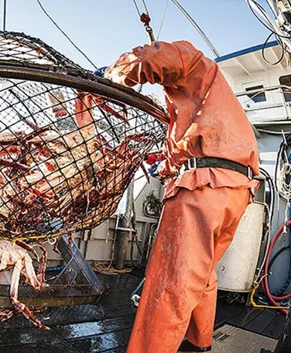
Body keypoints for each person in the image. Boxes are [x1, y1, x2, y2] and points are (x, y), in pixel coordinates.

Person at [104, 41, 260, 353]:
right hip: (236, 191)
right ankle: (198, 343)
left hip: (202, 190)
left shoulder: (192, 61)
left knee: (170, 281)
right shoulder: (202, 104)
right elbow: (182, 152)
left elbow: (147, 59)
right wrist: (162, 166)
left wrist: (111, 77)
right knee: (201, 275)